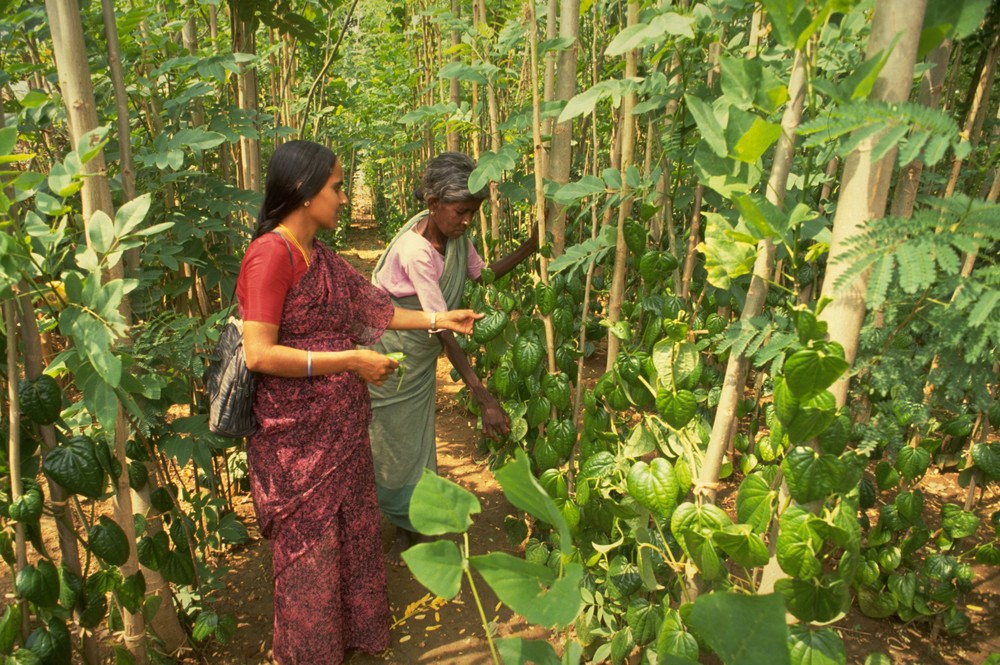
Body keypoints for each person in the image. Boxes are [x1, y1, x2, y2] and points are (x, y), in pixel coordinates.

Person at [235, 140, 482, 665]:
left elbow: (380, 309)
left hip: (341, 432)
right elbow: (259, 353)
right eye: (337, 187)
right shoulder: (268, 256)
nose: (345, 198)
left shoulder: (320, 256)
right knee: (311, 556)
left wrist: (443, 319)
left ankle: (351, 639)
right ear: (303, 192)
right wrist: (350, 361)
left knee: (351, 539)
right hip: (296, 442)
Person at [367, 152, 538, 562]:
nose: (466, 221)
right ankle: (404, 529)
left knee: (418, 443)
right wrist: (483, 395)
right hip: (394, 358)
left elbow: (484, 276)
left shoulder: (456, 238)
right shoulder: (417, 251)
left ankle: (413, 526)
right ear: (433, 205)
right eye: (461, 212)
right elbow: (441, 326)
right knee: (396, 443)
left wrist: (530, 248)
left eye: (473, 213)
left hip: (419, 358)